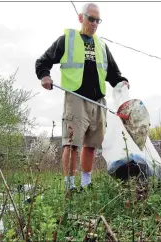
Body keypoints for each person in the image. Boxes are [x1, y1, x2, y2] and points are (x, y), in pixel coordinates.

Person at [35, 2, 129, 192]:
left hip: (98, 101)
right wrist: (45, 75)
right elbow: (42, 61)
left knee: (92, 144)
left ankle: (86, 184)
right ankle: (70, 187)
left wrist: (122, 82)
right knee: (72, 143)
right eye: (91, 19)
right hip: (76, 98)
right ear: (81, 18)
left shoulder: (102, 45)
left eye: (98, 21)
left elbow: (113, 73)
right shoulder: (67, 40)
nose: (94, 24)